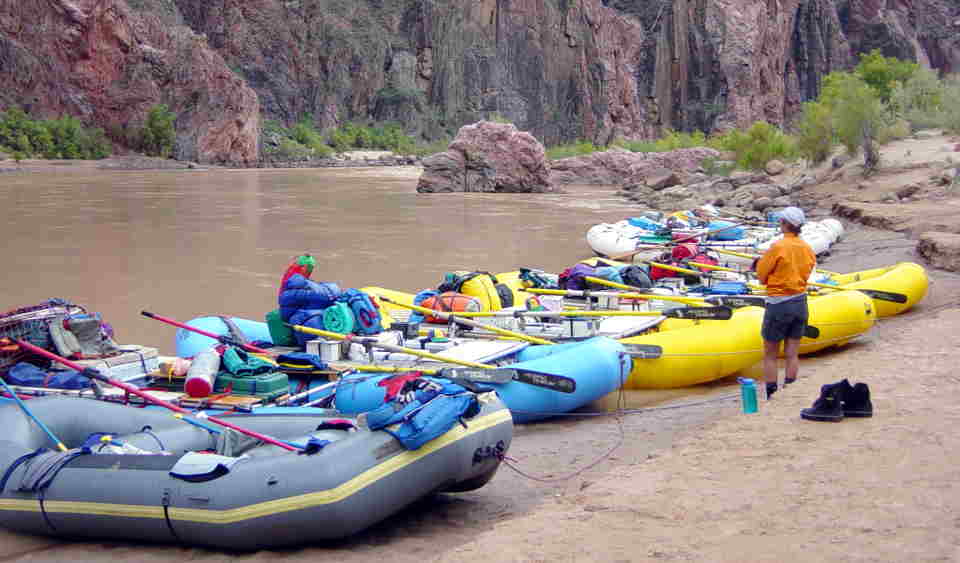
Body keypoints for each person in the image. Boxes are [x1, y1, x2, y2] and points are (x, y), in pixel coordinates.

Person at [753, 207, 816, 398]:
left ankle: (772, 394)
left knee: (770, 355)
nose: (779, 224)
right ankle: (790, 391)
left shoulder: (778, 247)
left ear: (786, 224)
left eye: (781, 221)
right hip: (800, 302)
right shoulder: (806, 248)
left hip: (778, 304)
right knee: (792, 353)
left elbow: (762, 275)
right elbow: (808, 269)